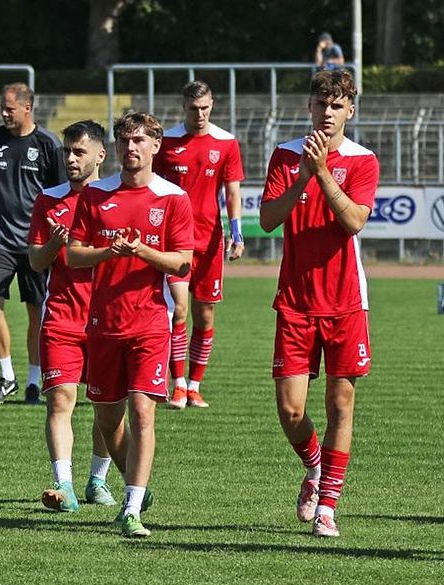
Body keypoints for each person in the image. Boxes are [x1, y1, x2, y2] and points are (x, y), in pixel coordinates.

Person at [259, 69, 379, 538]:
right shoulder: (287, 155)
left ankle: (328, 501)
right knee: (290, 409)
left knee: (340, 403)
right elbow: (268, 219)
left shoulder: (363, 160)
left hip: (346, 300)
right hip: (295, 300)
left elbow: (353, 222)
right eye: (320, 104)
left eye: (337, 105)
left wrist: (324, 174)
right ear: (309, 106)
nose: (327, 113)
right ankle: (314, 465)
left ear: (350, 109)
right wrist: (302, 178)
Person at [67, 112, 195, 537]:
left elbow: (181, 261)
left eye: (139, 140)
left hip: (150, 323)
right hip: (103, 323)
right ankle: (134, 487)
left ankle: (131, 507)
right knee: (108, 419)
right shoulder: (96, 194)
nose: (131, 148)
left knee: (143, 413)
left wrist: (141, 252)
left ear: (156, 145)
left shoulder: (173, 198)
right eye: (124, 140)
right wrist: (107, 254)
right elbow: (73, 254)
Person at [28, 120, 118, 512]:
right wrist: (54, 241)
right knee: (60, 401)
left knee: (106, 406)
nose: (70, 159)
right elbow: (35, 261)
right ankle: (63, 484)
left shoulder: (115, 199)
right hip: (62, 317)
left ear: (100, 155)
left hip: (108, 319)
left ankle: (97, 479)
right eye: (67, 151)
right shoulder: (48, 200)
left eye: (79, 152)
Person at [154, 80, 245, 410]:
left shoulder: (226, 143)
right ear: (184, 107)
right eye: (194, 109)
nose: (200, 114)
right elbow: (154, 188)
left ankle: (194, 385)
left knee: (204, 316)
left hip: (211, 242)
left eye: (205, 108)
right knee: (178, 310)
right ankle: (176, 384)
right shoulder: (167, 142)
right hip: (175, 242)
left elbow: (233, 192)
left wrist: (237, 233)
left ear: (213, 105)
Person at [0, 82, 66, 405]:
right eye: (2, 107)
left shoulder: (48, 144)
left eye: (9, 108)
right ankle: (7, 376)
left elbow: (60, 196)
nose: (3, 113)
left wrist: (55, 239)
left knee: (36, 312)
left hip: (35, 243)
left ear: (27, 108)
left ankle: (32, 381)